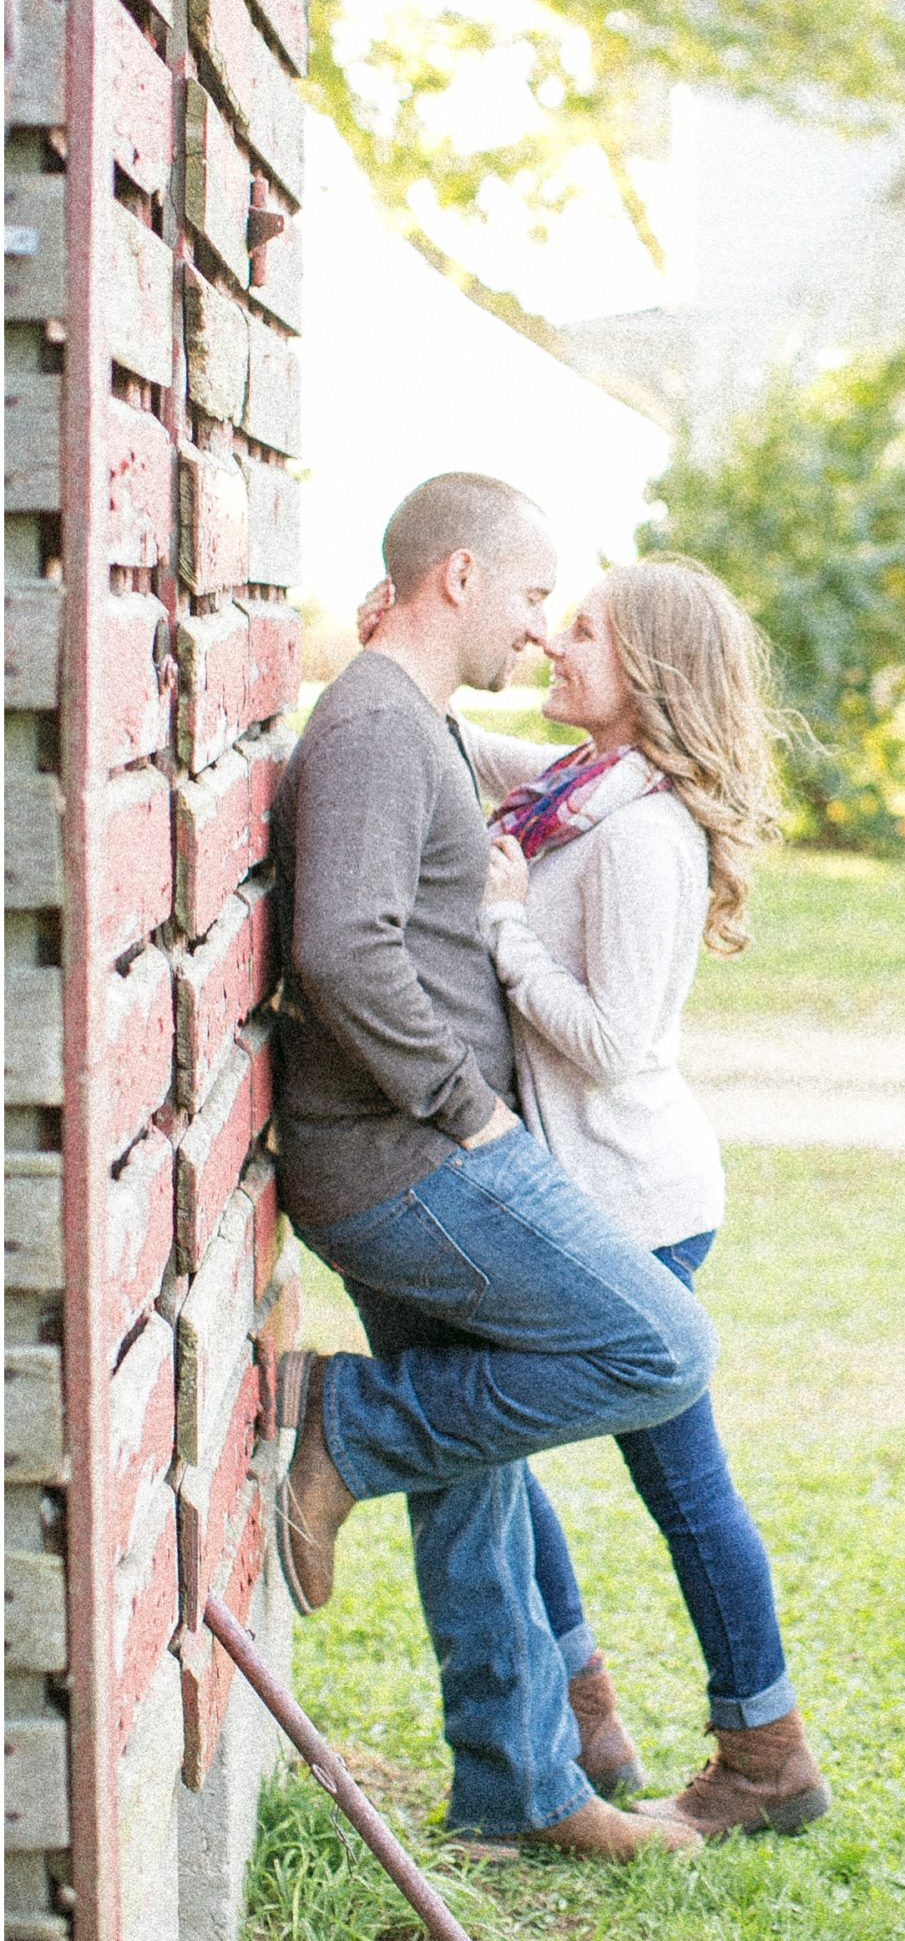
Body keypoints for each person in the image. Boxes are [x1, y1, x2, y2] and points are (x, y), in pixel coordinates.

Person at [270, 473, 717, 1862]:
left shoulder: (415, 724)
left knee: (477, 1470)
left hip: (404, 1144)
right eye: (532, 598)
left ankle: (518, 1793)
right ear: (458, 579)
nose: (538, 633)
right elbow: (341, 948)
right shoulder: (375, 730)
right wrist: (464, 1107)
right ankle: (343, 1428)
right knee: (659, 1346)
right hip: (411, 1154)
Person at [354, 556, 829, 1840]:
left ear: (652, 675)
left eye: (585, 634)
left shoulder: (640, 836)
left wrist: (506, 932)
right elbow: (459, 743)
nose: (555, 646)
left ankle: (765, 1757)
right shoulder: (580, 788)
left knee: (681, 1486)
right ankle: (582, 1718)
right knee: (489, 1437)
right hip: (583, 1190)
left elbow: (610, 1041)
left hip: (634, 1204)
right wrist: (402, 649)